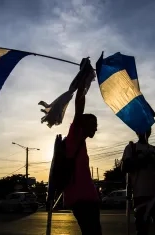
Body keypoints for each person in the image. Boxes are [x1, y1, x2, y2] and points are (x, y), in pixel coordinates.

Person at [63, 72, 102, 235]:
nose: (95, 127)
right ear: (82, 124)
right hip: (81, 200)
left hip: (88, 199)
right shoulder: (74, 137)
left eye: (96, 124)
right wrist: (82, 85)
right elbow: (79, 109)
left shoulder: (81, 142)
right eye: (92, 124)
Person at [121, 128, 155, 235]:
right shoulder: (131, 147)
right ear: (137, 131)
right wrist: (143, 158)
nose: (145, 130)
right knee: (142, 229)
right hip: (140, 195)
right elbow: (125, 167)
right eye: (142, 127)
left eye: (147, 127)